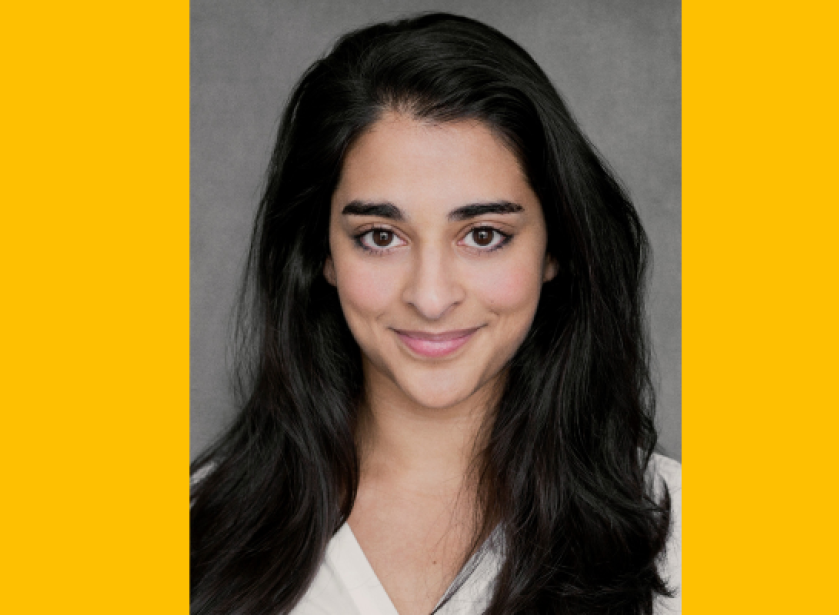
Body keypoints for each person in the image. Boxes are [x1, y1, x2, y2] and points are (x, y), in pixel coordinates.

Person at [190, 12, 681, 615]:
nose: (430, 296)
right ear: (322, 253)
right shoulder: (197, 532)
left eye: (482, 235)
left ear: (556, 248)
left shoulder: (679, 537)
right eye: (379, 236)